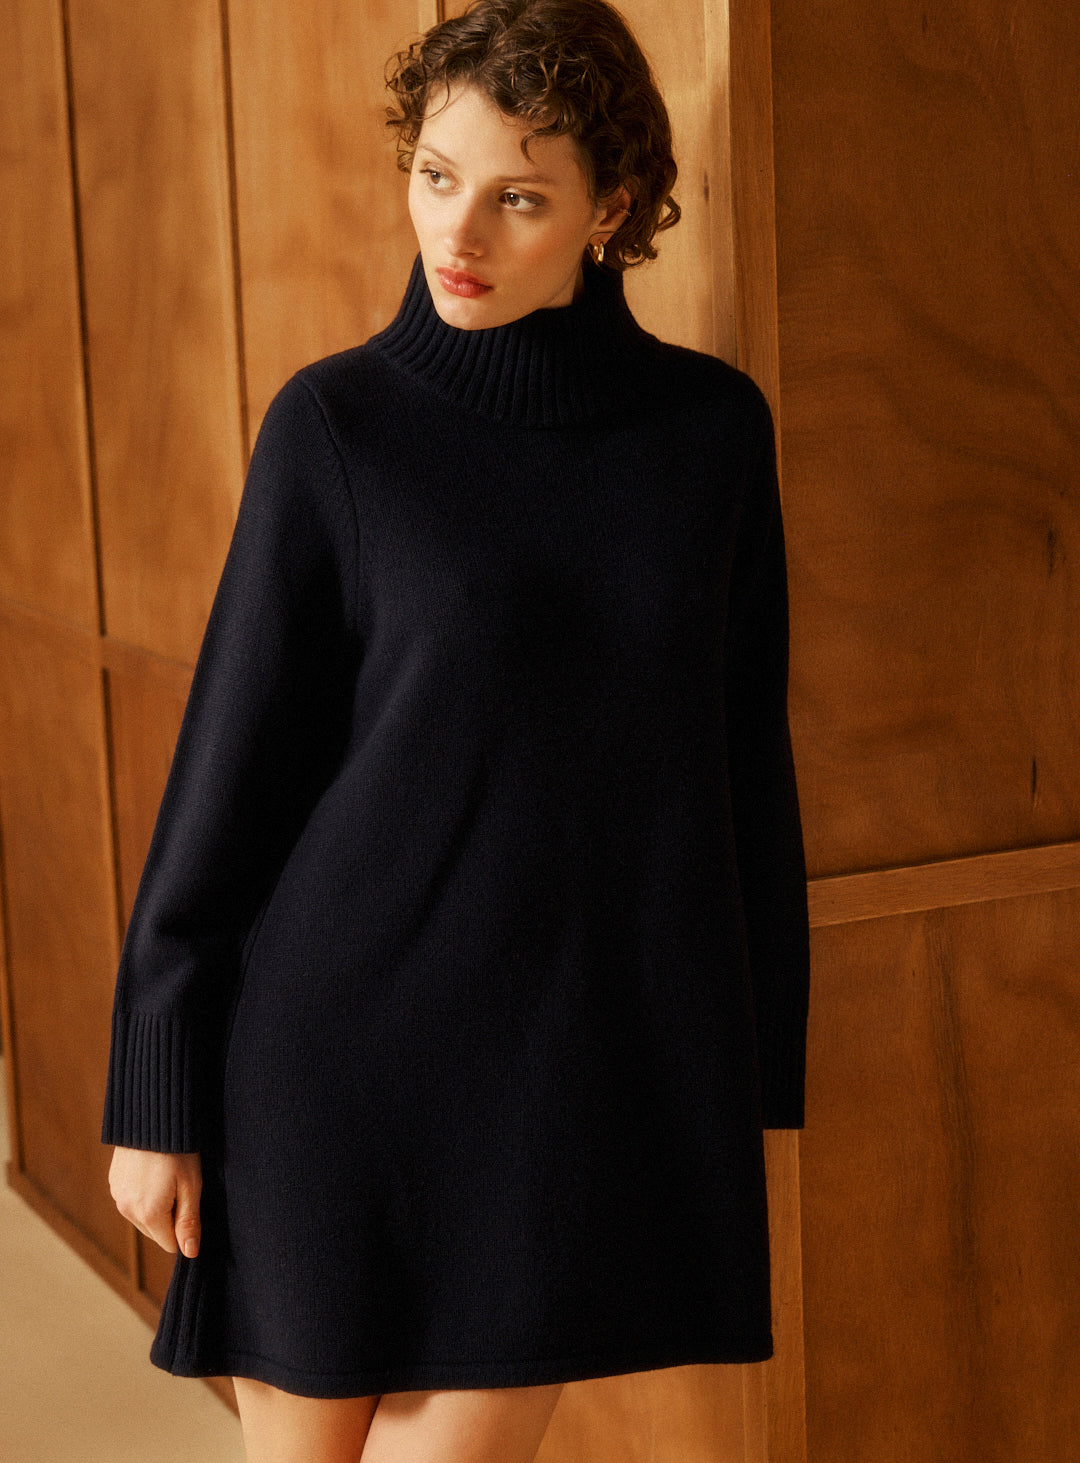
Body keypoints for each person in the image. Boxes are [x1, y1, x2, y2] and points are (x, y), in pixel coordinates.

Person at [102, 0, 810, 1459]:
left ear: (612, 209)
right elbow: (230, 781)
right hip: (327, 1062)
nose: (457, 232)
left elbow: (741, 772)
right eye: (436, 175)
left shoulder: (711, 438)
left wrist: (752, 1077)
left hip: (562, 1084)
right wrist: (156, 1094)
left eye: (518, 197)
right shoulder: (336, 427)